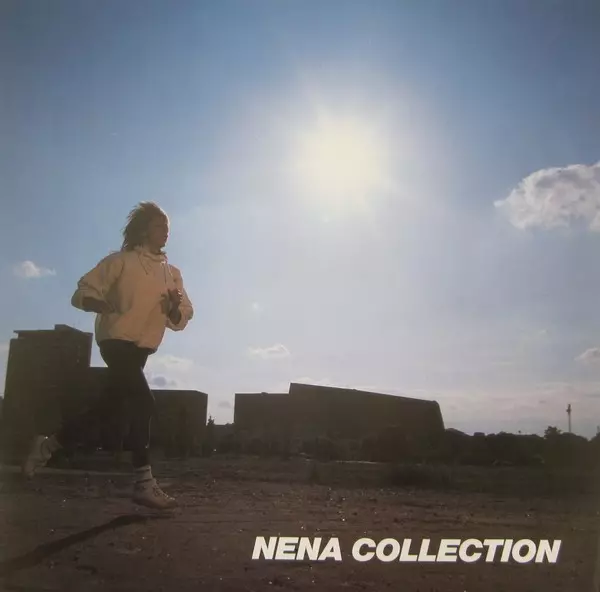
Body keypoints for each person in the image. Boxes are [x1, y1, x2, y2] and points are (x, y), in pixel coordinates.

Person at [22, 202, 194, 510]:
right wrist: (98, 303)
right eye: (159, 226)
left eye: (168, 227)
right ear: (144, 229)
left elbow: (182, 316)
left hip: (141, 349)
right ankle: (144, 483)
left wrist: (172, 307)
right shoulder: (119, 261)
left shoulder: (172, 275)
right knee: (144, 403)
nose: (166, 231)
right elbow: (84, 290)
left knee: (107, 409)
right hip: (115, 341)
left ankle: (48, 445)